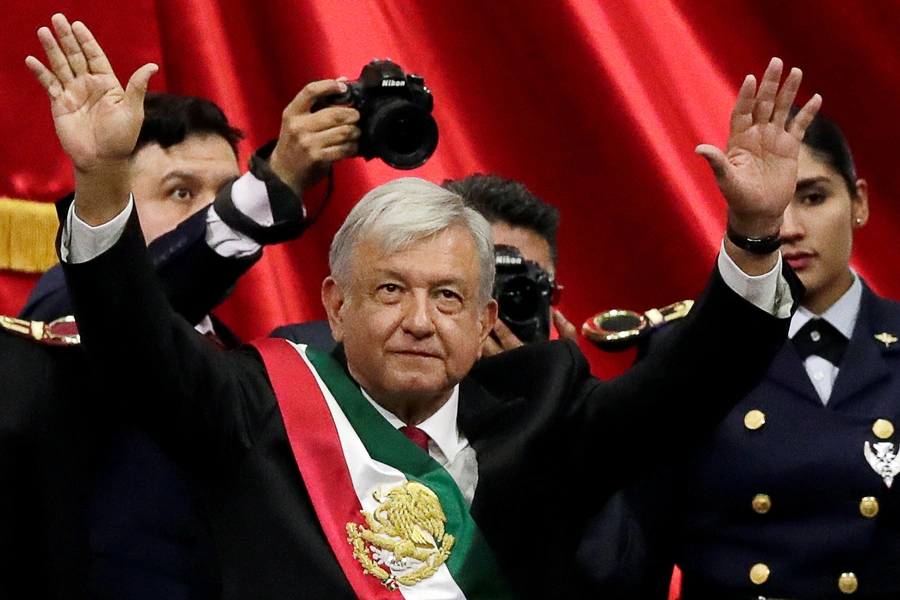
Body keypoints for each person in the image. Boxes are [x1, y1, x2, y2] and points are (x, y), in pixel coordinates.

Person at [33, 13, 819, 600]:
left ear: (483, 321)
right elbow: (133, 339)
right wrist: (103, 185)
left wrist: (753, 233)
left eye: (448, 297)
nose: (419, 320)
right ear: (335, 305)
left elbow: (696, 384)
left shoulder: (546, 411)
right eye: (389, 289)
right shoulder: (255, 402)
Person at [23, 16, 361, 600]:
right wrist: (268, 186)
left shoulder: (235, 355)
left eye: (224, 191)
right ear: (118, 204)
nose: (208, 211)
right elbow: (123, 305)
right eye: (180, 192)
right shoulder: (67, 299)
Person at [578, 108, 900, 599]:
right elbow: (636, 558)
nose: (790, 227)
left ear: (859, 203)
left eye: (813, 197)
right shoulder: (687, 353)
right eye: (775, 207)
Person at [271, 173, 578, 354]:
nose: (420, 322)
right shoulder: (307, 356)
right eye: (451, 289)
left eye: (523, 286)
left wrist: (560, 395)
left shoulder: (572, 404)